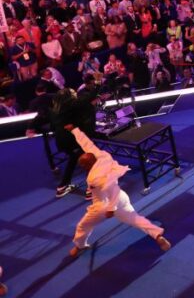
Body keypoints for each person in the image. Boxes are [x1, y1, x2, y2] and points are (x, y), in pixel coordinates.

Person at [64, 125, 172, 257]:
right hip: (121, 199)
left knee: (83, 226)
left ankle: (79, 246)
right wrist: (75, 130)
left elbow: (112, 188)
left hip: (103, 206)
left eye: (82, 165)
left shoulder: (94, 178)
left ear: (87, 165)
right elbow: (87, 144)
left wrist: (111, 208)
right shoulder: (102, 156)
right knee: (135, 219)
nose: (80, 166)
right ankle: (157, 235)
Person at [27, 87, 95, 198]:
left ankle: (62, 187)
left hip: (62, 142)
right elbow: (86, 101)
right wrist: (97, 85)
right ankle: (91, 189)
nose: (75, 94)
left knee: (73, 159)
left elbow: (41, 117)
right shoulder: (72, 107)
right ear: (69, 97)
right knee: (90, 159)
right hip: (75, 140)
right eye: (73, 93)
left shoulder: (54, 109)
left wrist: (30, 127)